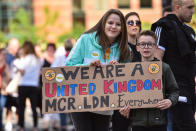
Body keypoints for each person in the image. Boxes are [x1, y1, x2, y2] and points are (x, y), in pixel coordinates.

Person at [65, 9, 131, 131]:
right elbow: (68, 66)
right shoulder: (85, 39)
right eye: (110, 23)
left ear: (122, 28)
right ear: (103, 23)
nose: (114, 27)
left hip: (105, 105)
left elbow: (128, 79)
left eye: (118, 24)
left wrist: (119, 70)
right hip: (81, 101)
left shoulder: (125, 49)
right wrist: (88, 67)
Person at [120, 30, 179, 131]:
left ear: (156, 47)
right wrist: (122, 107)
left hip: (159, 122)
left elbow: (175, 91)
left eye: (150, 44)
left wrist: (170, 101)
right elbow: (122, 93)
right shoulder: (129, 70)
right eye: (142, 44)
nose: (146, 47)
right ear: (137, 47)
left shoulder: (164, 68)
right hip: (137, 123)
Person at [151, 0, 196, 130]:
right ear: (177, 7)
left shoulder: (189, 31)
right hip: (172, 93)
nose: (192, 11)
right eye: (189, 7)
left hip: (189, 89)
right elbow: (156, 60)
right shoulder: (163, 26)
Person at [112, 11, 141, 131]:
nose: (135, 25)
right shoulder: (117, 49)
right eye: (130, 22)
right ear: (123, 27)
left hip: (141, 100)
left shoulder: (144, 47)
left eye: (137, 22)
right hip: (122, 103)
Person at [15, 41, 42, 131]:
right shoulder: (38, 59)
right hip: (34, 85)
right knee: (34, 107)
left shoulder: (24, 59)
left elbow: (22, 71)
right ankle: (35, 126)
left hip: (23, 84)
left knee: (22, 107)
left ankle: (21, 126)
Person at [51, 38, 74, 131]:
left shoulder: (60, 57)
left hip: (62, 85)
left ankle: (64, 125)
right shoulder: (75, 56)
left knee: (63, 105)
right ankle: (72, 124)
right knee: (72, 104)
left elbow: (52, 69)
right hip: (72, 85)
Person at [0, 48, 11, 130]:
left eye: (6, 54)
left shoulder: (7, 65)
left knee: (1, 110)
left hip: (4, 91)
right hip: (2, 89)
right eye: (3, 54)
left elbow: (9, 77)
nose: (5, 56)